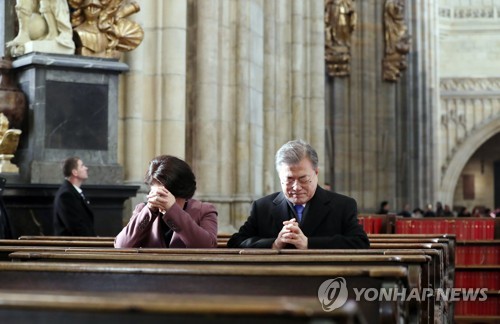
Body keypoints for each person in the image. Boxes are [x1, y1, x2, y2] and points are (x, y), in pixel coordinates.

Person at [227, 139, 369, 249]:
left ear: (316, 173)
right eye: (288, 179)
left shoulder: (343, 205)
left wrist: (309, 244)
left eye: (303, 179)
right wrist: (274, 244)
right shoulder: (262, 206)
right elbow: (236, 243)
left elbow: (360, 243)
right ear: (280, 177)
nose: (296, 187)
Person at [114, 155, 218, 248]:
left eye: (165, 193)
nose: (160, 198)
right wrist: (149, 210)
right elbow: (121, 245)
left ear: (180, 191)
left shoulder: (204, 210)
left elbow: (207, 245)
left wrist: (173, 210)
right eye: (156, 192)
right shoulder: (142, 210)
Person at [53, 157, 96, 236]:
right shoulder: (66, 195)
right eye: (82, 166)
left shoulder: (75, 192)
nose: (86, 168)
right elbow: (76, 227)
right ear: (75, 172)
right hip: (72, 246)